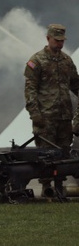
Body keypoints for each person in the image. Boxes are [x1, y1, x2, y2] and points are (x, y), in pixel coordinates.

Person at [25, 24, 79, 194]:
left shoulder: (66, 61)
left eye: (62, 41)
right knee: (46, 153)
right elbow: (30, 89)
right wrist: (34, 113)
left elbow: (76, 85)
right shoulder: (37, 61)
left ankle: (59, 185)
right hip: (45, 116)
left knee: (63, 151)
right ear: (48, 38)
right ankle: (46, 186)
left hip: (64, 116)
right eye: (57, 40)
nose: (60, 44)